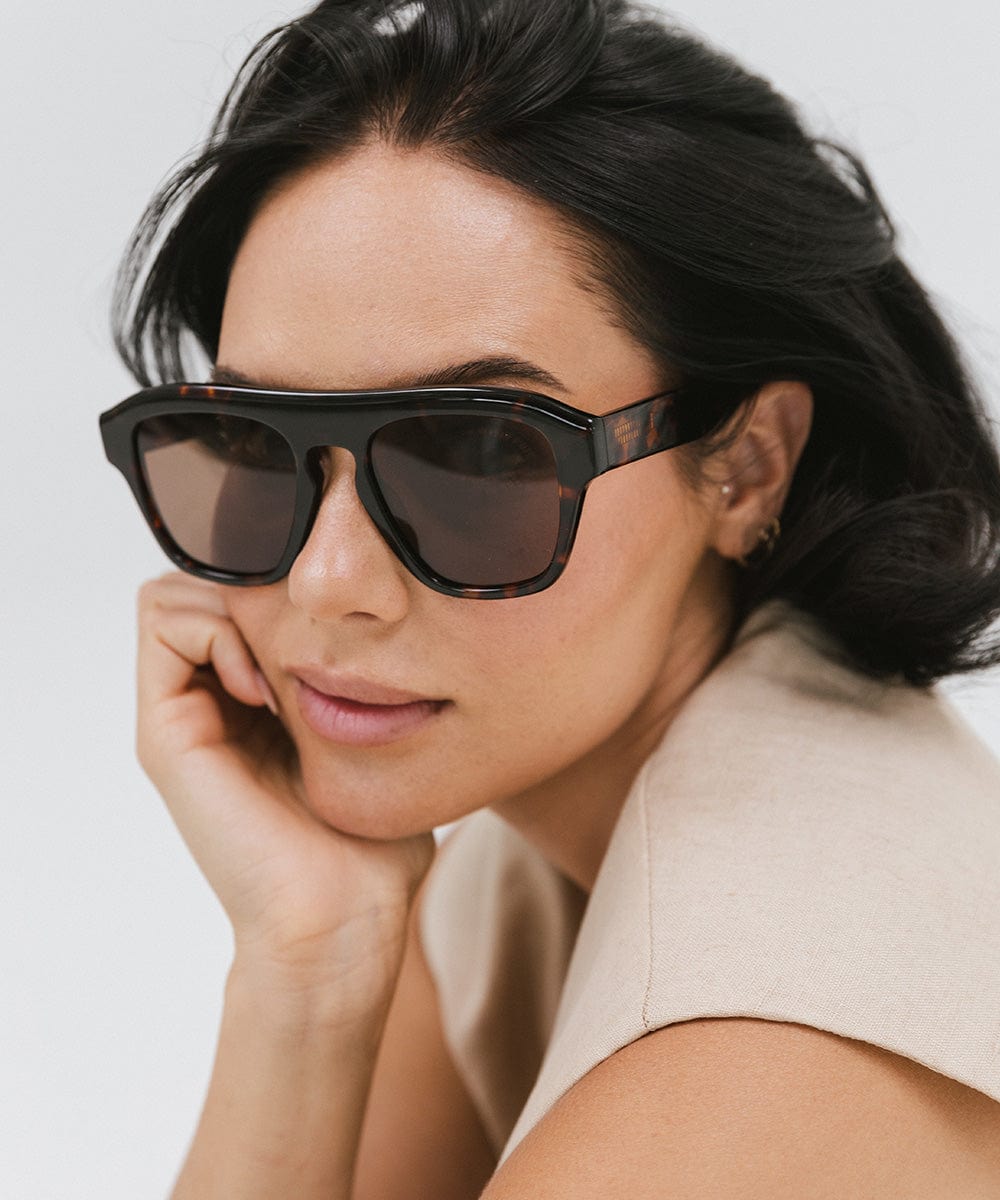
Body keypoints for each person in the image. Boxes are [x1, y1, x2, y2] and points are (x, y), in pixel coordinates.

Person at [100, 0, 1000, 1195]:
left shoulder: (753, 1058)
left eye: (477, 457)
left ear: (744, 467)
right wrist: (306, 970)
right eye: (256, 444)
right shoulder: (529, 843)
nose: (326, 580)